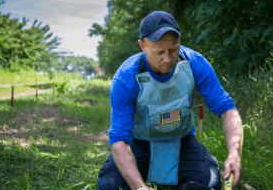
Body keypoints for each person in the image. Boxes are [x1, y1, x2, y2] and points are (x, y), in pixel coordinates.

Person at [97, 11, 243, 190]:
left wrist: (234, 155)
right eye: (159, 52)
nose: (168, 59)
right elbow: (119, 138)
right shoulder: (126, 77)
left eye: (173, 50)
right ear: (142, 46)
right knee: (109, 186)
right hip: (139, 144)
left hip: (182, 142)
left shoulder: (195, 63)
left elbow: (227, 109)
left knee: (208, 184)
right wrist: (139, 187)